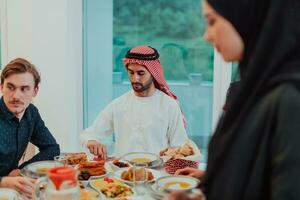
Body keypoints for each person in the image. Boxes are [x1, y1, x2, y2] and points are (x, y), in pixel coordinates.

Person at [165, 0, 300, 199]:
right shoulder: (254, 89)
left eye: (212, 21)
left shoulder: (290, 102)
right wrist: (212, 183)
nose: (207, 36)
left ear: (245, 16)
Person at [81, 45, 191, 159]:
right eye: (131, 73)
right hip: (123, 173)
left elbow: (180, 147)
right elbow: (89, 133)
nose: (135, 79)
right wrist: (92, 141)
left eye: (141, 73)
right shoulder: (118, 104)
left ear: (153, 72)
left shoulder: (169, 105)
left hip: (157, 173)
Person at [0, 58, 60, 198]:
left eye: (24, 89)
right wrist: (4, 181)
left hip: (14, 188)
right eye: (10, 87)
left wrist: (21, 170)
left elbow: (52, 148)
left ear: (35, 90)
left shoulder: (31, 113)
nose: (16, 96)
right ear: (1, 86)